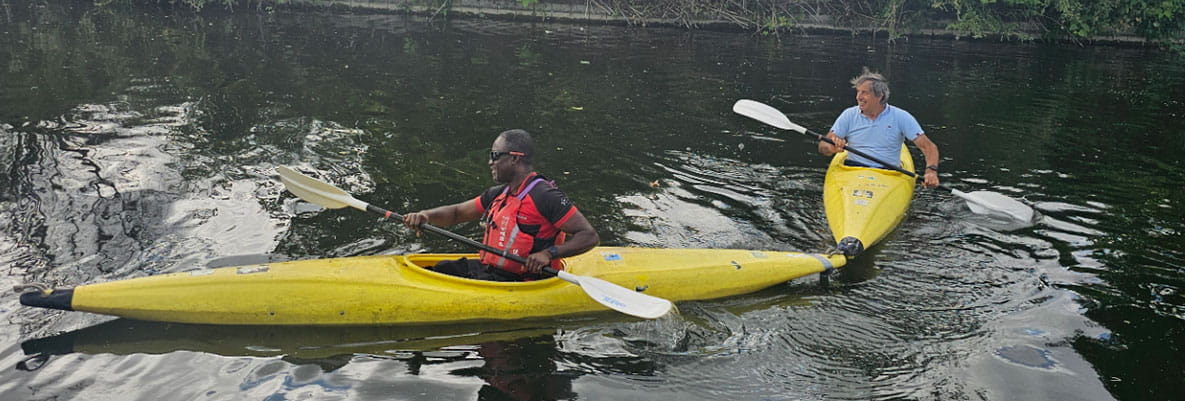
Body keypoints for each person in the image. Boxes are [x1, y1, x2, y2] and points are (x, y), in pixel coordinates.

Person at [402, 129, 599, 281]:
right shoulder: (499, 194)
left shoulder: (545, 196)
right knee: (442, 268)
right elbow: (456, 213)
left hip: (523, 280)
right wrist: (425, 216)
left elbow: (589, 236)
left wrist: (549, 254)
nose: (490, 162)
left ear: (515, 158)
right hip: (490, 270)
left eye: (495, 155)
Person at [819, 68, 941, 188]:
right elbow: (823, 145)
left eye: (864, 93)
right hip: (852, 169)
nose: (858, 97)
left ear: (880, 96)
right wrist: (831, 148)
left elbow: (928, 147)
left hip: (888, 172)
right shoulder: (849, 115)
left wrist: (931, 171)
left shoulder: (901, 117)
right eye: (858, 92)